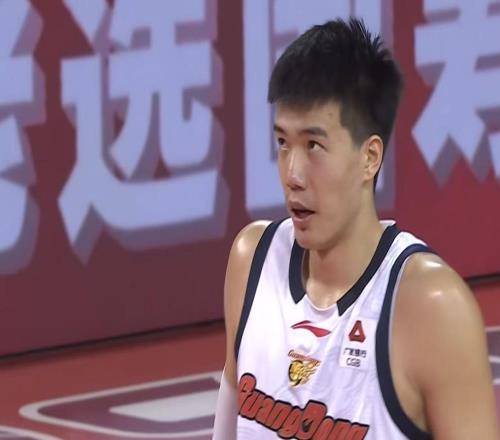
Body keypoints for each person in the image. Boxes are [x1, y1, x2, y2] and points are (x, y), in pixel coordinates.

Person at [213, 18, 498, 439]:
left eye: (314, 146)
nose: (292, 174)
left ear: (370, 158)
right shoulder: (252, 262)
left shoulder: (431, 307)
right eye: (283, 143)